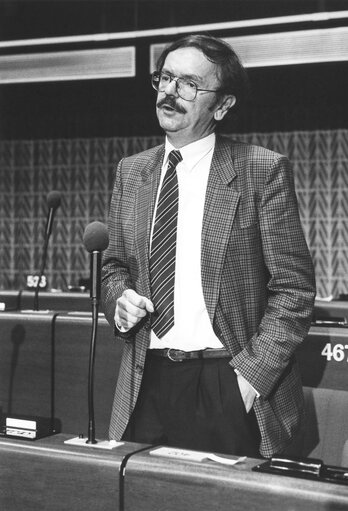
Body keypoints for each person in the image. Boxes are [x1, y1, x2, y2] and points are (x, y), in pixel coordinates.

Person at [101, 34, 316, 458]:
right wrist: (119, 302)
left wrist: (248, 382)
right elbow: (113, 267)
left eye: (188, 84)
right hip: (144, 381)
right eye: (165, 78)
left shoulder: (261, 170)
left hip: (225, 380)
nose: (169, 92)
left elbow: (294, 291)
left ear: (222, 105)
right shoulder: (132, 172)